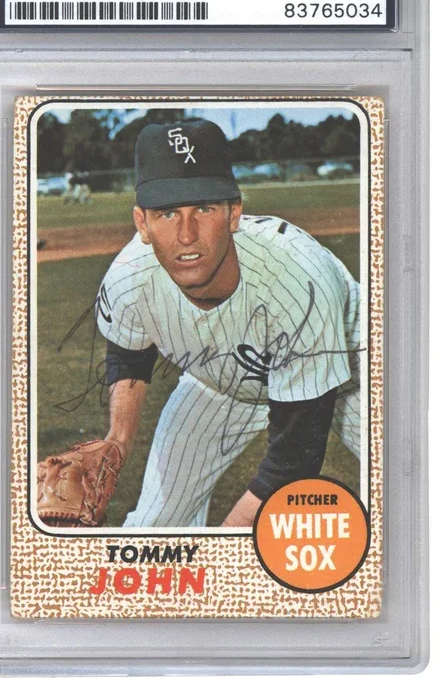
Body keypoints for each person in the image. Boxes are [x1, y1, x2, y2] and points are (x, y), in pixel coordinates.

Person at [96, 119, 361, 528]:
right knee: (152, 527)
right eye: (167, 212)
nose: (186, 235)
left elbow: (295, 456)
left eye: (204, 208)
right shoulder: (129, 277)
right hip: (218, 383)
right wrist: (118, 440)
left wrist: (219, 551)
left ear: (234, 213)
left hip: (353, 370)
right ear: (142, 223)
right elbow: (129, 355)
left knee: (415, 481)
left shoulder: (296, 278)